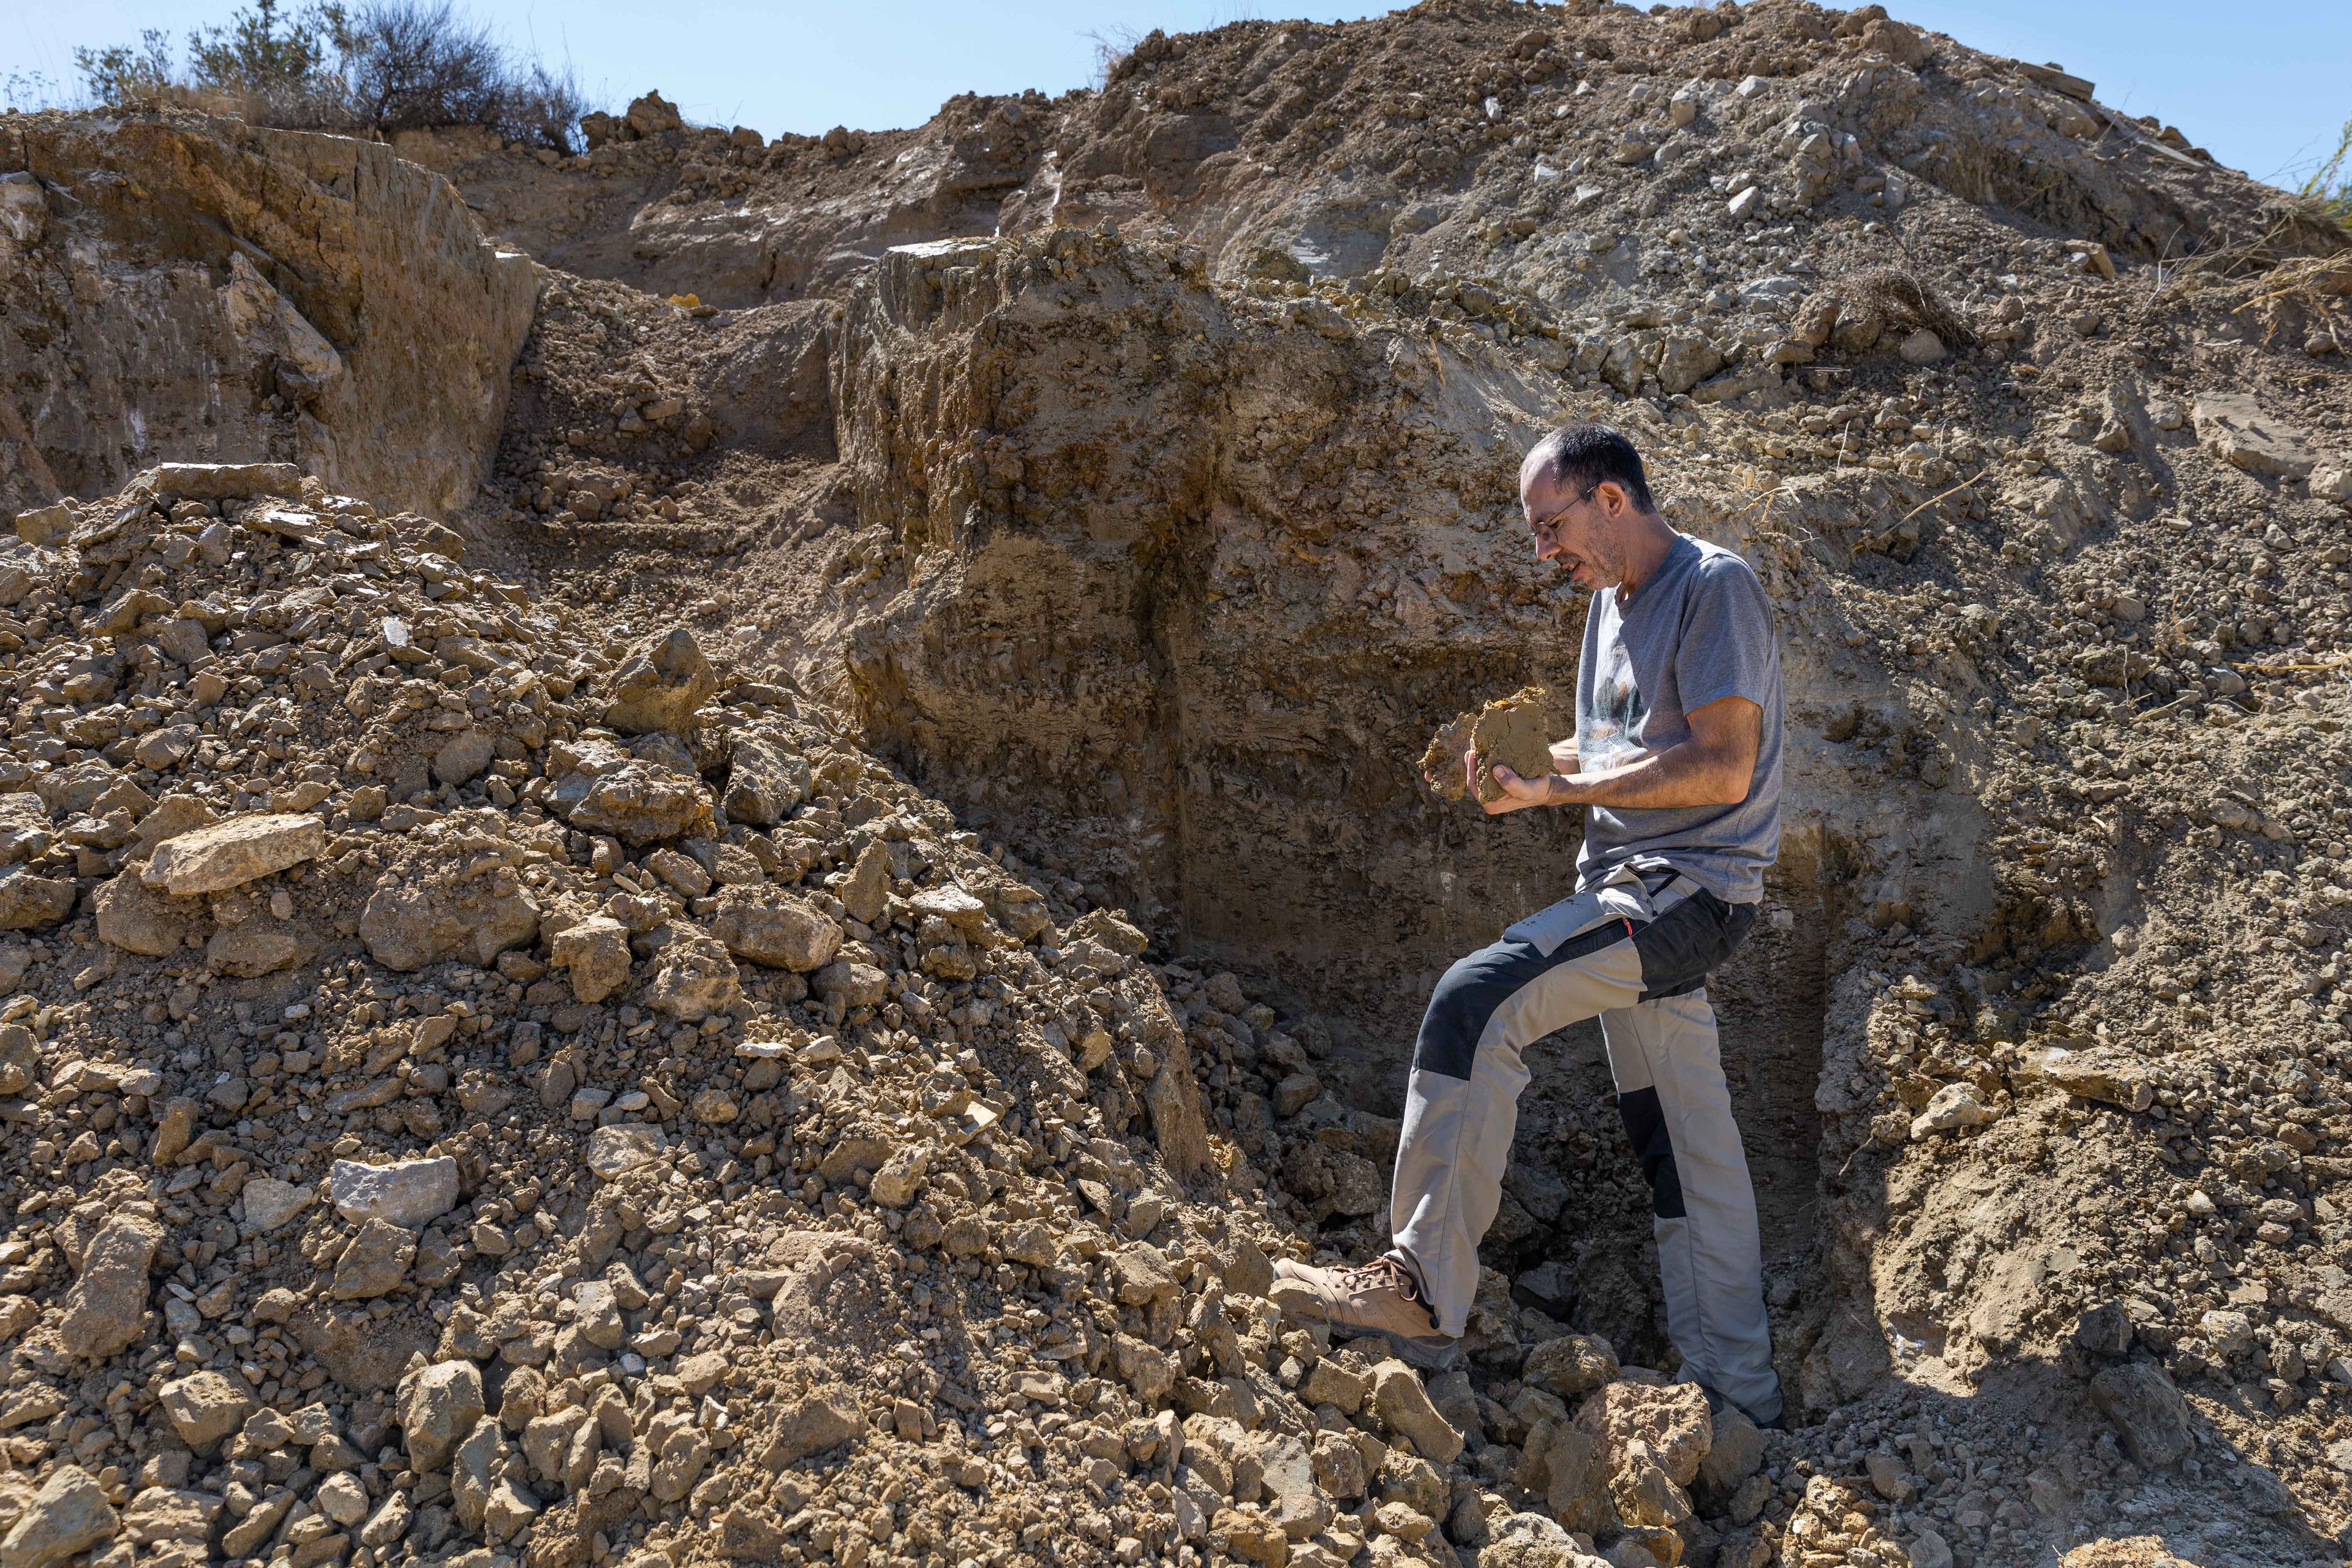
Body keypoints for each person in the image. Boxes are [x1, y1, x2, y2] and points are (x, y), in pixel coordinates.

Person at [1270, 421, 1787, 1427]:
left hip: (1681, 893)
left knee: (1477, 997)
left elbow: (1722, 765)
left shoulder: (1715, 588)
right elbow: (1614, 749)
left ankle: (1420, 1286)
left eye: (1552, 526)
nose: (1545, 551)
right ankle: (1742, 1402)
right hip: (1641, 888)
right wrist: (1517, 769)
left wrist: (1556, 789)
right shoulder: (1610, 605)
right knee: (1684, 1144)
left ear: (1610, 499)